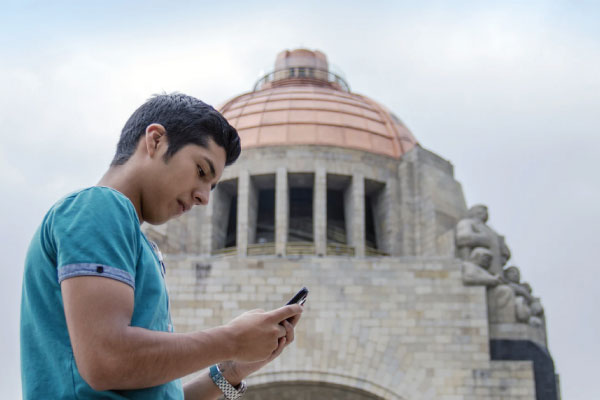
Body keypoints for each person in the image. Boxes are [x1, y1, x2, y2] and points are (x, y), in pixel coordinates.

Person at [20, 93, 303, 399]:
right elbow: (107, 360)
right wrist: (231, 339)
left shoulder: (138, 243)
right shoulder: (99, 207)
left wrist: (233, 370)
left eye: (212, 186)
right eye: (200, 171)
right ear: (155, 141)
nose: (204, 198)